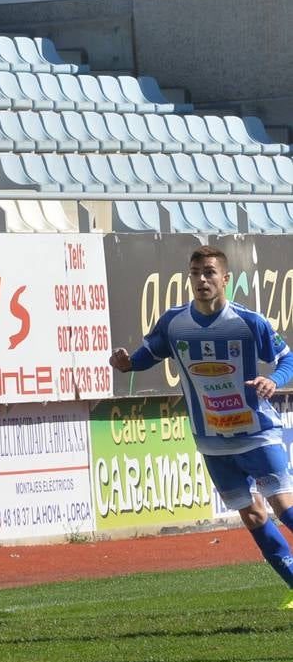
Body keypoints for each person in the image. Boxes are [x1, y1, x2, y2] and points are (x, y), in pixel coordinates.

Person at [110, 245, 293, 609]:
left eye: (209, 273)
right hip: (212, 441)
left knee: (284, 508)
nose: (201, 280)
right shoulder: (175, 322)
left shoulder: (248, 321)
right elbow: (152, 352)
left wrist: (274, 380)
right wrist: (129, 363)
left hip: (257, 432)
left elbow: (286, 359)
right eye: (195, 273)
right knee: (253, 515)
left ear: (224, 279)